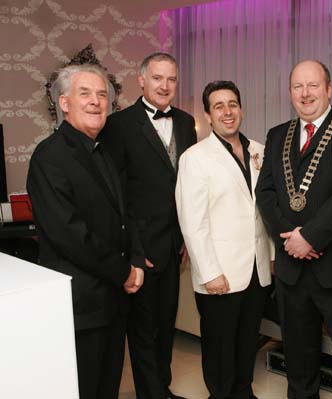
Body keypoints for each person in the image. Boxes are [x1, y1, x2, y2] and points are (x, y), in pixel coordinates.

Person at [256, 60, 332, 399]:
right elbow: (265, 194)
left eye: (312, 85)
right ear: (290, 92)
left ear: (329, 89)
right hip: (292, 271)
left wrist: (310, 237)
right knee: (298, 359)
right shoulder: (277, 135)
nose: (305, 93)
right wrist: (291, 240)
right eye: (297, 87)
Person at [27, 64, 145, 399]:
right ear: (64, 103)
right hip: (81, 305)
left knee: (107, 387)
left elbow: (124, 215)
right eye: (85, 93)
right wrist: (123, 271)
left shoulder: (104, 151)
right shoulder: (49, 157)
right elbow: (70, 234)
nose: (96, 101)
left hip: (112, 302)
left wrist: (136, 257)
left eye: (102, 94)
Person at [101, 53, 197, 399]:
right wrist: (136, 251)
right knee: (142, 330)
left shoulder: (186, 123)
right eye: (157, 78)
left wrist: (186, 237)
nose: (165, 86)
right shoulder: (119, 125)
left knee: (165, 325)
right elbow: (117, 195)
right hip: (141, 248)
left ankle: (162, 389)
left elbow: (189, 186)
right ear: (141, 80)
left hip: (174, 247)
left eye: (171, 79)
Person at [175, 80, 274, 399]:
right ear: (207, 114)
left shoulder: (260, 150)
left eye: (232, 104)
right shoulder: (195, 158)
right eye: (218, 106)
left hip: (257, 269)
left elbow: (266, 211)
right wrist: (209, 272)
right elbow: (193, 221)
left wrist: (270, 255)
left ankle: (243, 392)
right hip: (220, 273)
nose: (227, 112)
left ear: (241, 108)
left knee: (248, 341)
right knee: (220, 347)